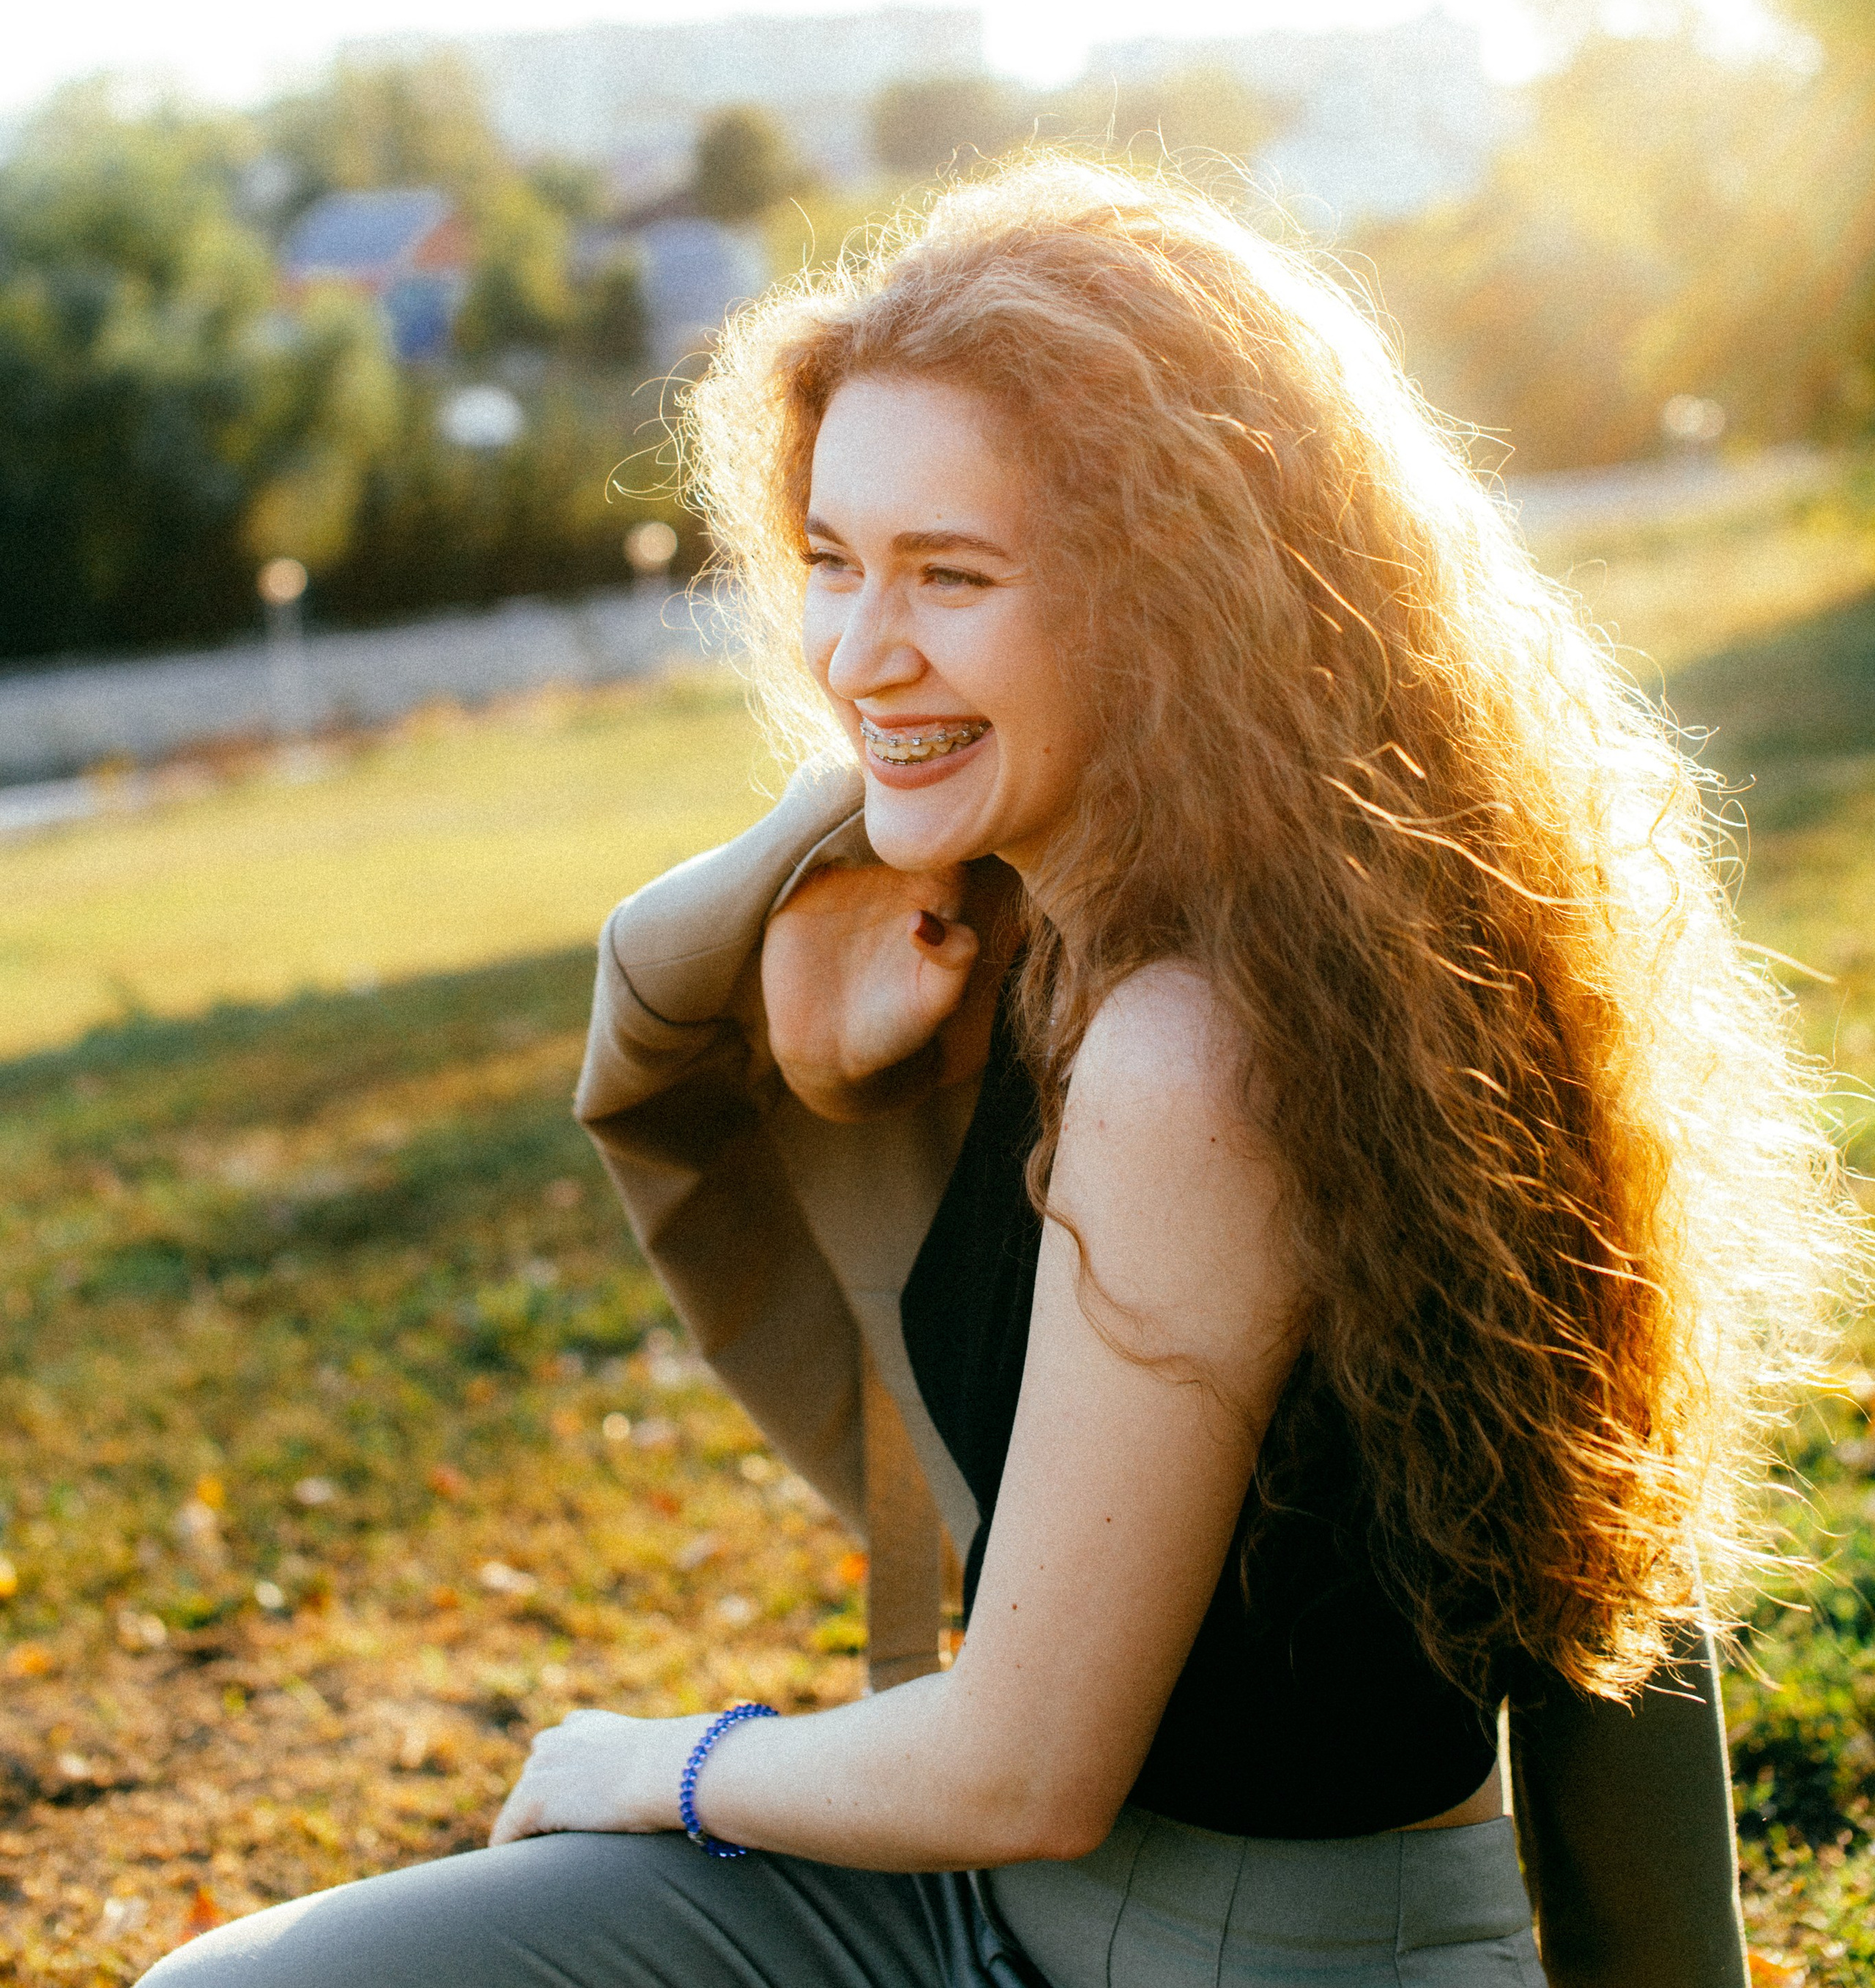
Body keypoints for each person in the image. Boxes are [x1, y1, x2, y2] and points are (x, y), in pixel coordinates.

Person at [143, 156, 1841, 1988]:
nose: (861, 655)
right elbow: (723, 950)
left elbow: (1024, 1765)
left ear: (1174, 599)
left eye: (950, 573)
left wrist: (648, 1764)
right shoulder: (1202, 919)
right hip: (967, 1920)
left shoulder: (1208, 1043)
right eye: (830, 561)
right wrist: (834, 1046)